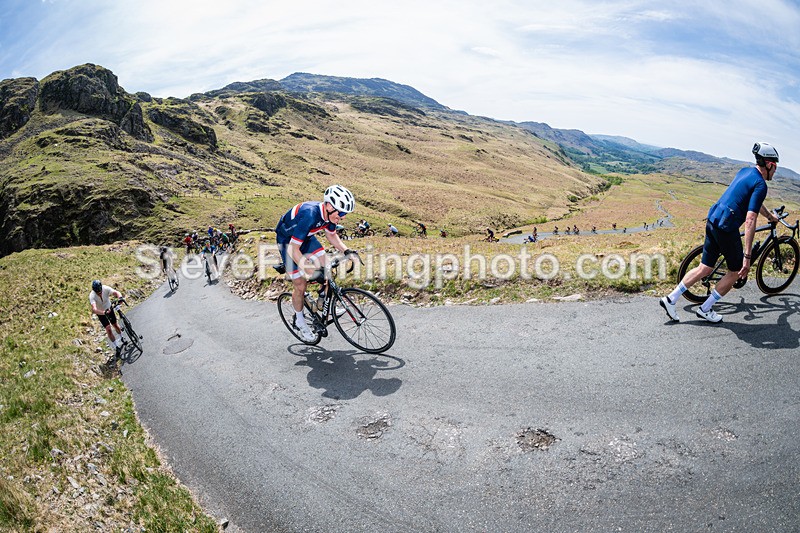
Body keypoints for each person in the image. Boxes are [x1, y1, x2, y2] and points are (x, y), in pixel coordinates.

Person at [660, 142, 781, 323]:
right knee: (735, 271)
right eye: (775, 166)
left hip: (713, 220)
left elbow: (754, 202)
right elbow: (750, 220)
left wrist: (770, 216)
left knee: (704, 267)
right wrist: (747, 258)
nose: (775, 171)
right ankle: (705, 308)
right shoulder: (761, 185)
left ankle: (670, 299)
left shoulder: (745, 172)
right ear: (770, 164)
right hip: (726, 228)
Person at [275, 185, 357, 341]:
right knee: (300, 284)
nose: (343, 216)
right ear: (329, 206)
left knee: (326, 265)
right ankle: (300, 321)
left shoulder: (331, 215)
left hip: (305, 238)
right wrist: (309, 270)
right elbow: (293, 249)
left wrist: (347, 251)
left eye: (345, 213)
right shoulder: (311, 214)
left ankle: (321, 302)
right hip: (287, 242)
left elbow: (331, 235)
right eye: (341, 212)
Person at [89, 280, 126, 363]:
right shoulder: (92, 296)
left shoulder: (105, 288)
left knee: (115, 325)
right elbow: (94, 309)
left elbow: (116, 292)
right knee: (108, 329)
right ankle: (116, 346)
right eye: (97, 292)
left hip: (109, 308)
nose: (99, 293)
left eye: (100, 291)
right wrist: (103, 313)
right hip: (101, 313)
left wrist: (120, 297)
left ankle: (121, 337)